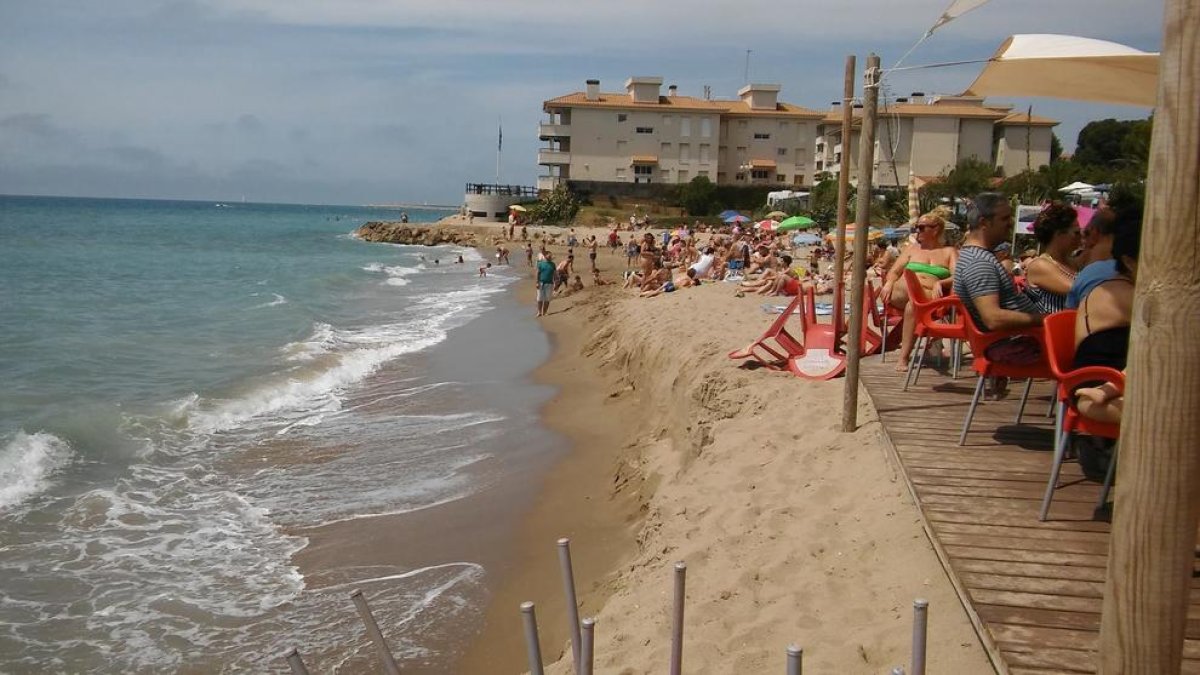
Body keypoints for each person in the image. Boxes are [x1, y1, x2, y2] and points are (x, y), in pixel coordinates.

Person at [953, 192, 1044, 368]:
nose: (1010, 223)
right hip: (1018, 344)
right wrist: (1045, 319)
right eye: (1005, 218)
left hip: (1021, 339)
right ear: (983, 222)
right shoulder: (979, 263)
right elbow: (993, 318)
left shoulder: (976, 257)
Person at [879, 212, 959, 369]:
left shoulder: (949, 252)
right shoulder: (911, 250)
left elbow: (957, 276)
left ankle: (903, 358)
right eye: (916, 228)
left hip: (927, 297)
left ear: (935, 230)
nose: (917, 231)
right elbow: (894, 272)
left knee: (913, 306)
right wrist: (888, 283)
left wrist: (941, 283)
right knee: (912, 291)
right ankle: (932, 341)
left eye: (921, 228)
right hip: (903, 290)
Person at [1023, 201, 1081, 314]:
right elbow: (1079, 290)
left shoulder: (1072, 262)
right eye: (1076, 232)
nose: (1081, 236)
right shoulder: (1040, 265)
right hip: (1054, 329)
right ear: (1059, 235)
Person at [1067, 207, 1118, 308]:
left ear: (1094, 232)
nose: (1082, 240)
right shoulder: (1132, 267)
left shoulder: (1093, 271)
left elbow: (1070, 310)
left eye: (1086, 233)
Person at [535, 252, 555, 317]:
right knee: (539, 299)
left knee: (547, 299)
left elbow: (555, 273)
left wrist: (556, 281)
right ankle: (539, 312)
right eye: (549, 255)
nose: (550, 256)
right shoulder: (541, 264)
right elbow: (537, 273)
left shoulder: (553, 264)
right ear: (545, 256)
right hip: (541, 283)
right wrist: (537, 282)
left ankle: (545, 312)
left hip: (550, 283)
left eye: (550, 256)